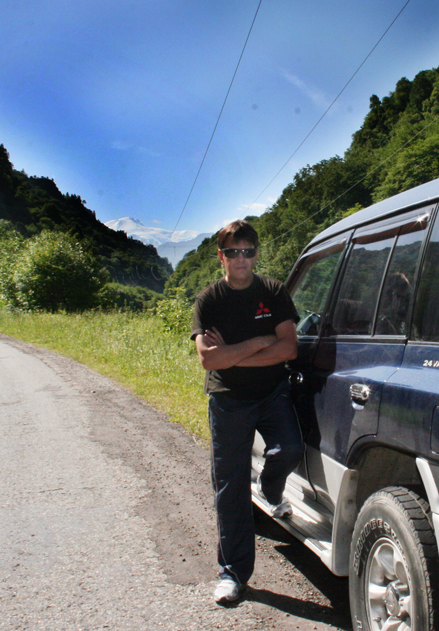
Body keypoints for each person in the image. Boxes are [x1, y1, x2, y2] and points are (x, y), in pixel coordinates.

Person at [191, 220, 304, 605]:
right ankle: (233, 574)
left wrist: (231, 354)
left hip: (272, 393)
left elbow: (289, 348)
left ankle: (269, 491)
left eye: (248, 251)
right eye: (233, 252)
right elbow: (209, 360)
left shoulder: (273, 291)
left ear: (256, 255)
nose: (241, 258)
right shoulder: (209, 300)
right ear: (221, 256)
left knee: (290, 448)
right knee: (230, 485)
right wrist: (259, 341)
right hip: (228, 400)